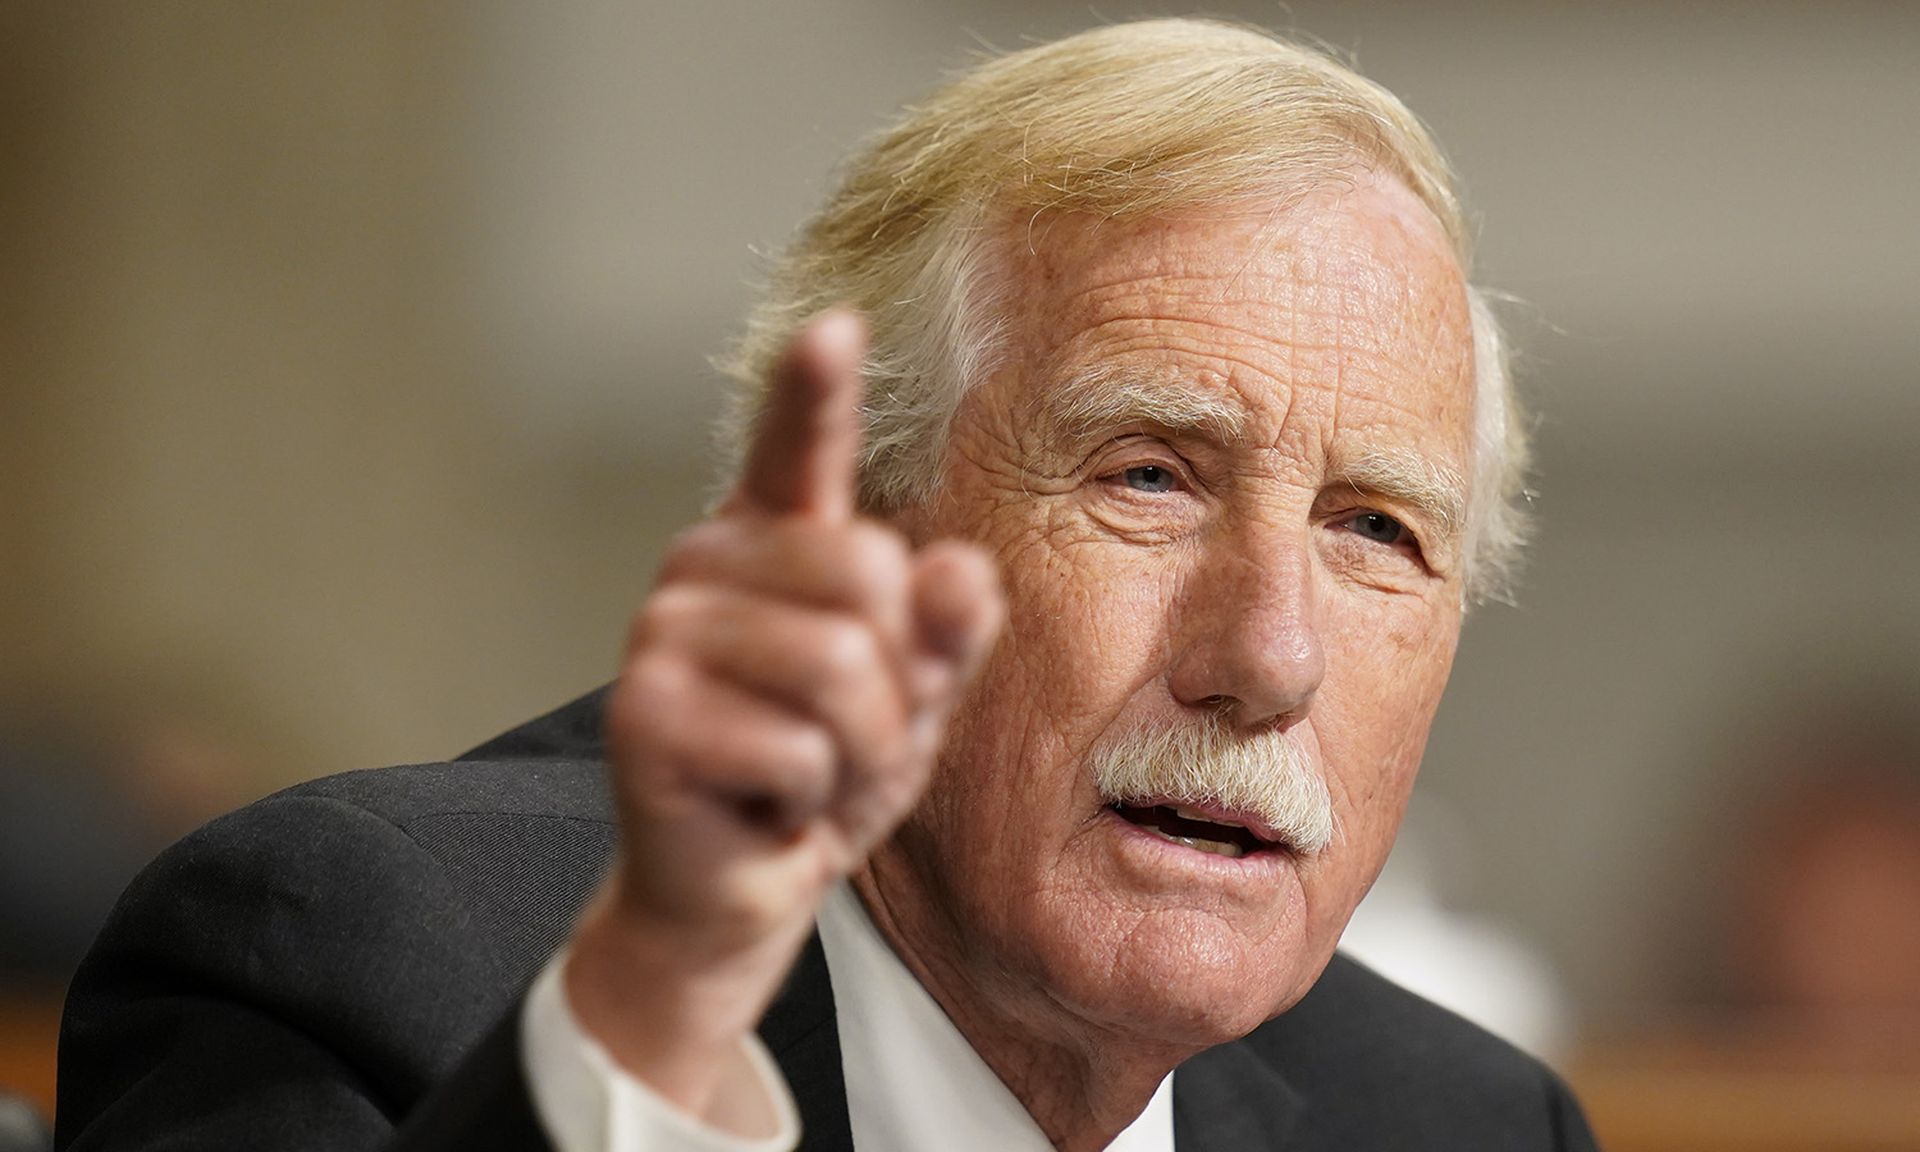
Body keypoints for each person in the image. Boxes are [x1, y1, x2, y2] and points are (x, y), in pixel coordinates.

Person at [56, 18, 1598, 1151]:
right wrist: (648, 1035)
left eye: (1377, 531)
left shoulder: (1459, 1125)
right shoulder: (351, 967)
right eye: (1148, 476)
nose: (1268, 654)